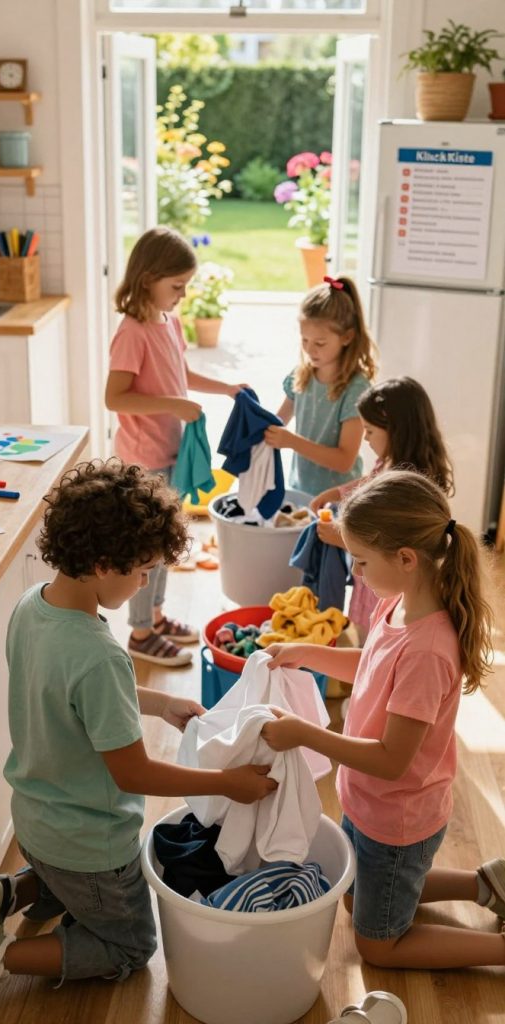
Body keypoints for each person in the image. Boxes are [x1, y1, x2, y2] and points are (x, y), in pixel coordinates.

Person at [0, 459, 276, 1024]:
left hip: (37, 820)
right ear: (104, 563)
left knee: (73, 891)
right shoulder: (99, 654)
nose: (144, 583)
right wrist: (227, 784)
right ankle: (1, 954)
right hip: (92, 845)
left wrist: (160, 704)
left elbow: (75, 698)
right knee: (131, 947)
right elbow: (134, 775)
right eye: (142, 571)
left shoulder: (33, 606)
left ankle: (13, 893)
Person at [261, 470, 505, 971]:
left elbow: (394, 761)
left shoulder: (428, 650)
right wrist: (306, 653)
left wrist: (307, 733)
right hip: (371, 800)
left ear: (406, 559)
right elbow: (370, 665)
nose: (356, 571)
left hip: (396, 815)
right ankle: (486, 884)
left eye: (362, 561)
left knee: (376, 945)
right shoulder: (398, 605)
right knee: (360, 891)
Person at [105, 226, 246, 667]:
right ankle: (141, 632)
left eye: (186, 286)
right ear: (148, 278)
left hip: (169, 453)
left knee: (164, 545)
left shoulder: (169, 321)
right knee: (145, 551)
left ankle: (158, 617)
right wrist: (173, 404)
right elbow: (115, 397)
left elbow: (179, 373)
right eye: (177, 286)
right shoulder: (132, 331)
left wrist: (224, 388)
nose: (183, 295)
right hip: (142, 459)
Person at [310, 377, 454, 642]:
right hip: (379, 579)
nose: (365, 438)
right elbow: (371, 482)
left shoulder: (411, 483)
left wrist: (341, 536)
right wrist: (338, 493)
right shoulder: (391, 464)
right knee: (369, 633)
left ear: (395, 429)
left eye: (370, 430)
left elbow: (389, 540)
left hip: (391, 584)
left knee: (376, 638)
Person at [264, 274, 377, 500]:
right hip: (300, 491)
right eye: (304, 340)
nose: (310, 350)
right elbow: (277, 422)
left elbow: (344, 461)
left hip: (339, 500)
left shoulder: (356, 389)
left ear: (347, 337)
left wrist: (291, 442)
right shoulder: (301, 375)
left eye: (320, 343)